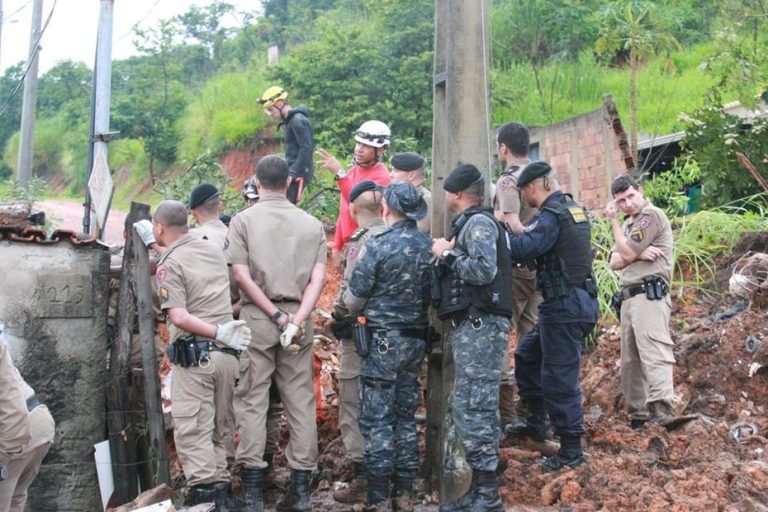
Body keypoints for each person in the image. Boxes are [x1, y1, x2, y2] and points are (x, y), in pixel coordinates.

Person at [226, 155, 326, 512]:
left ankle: (252, 493)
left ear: (256, 180)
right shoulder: (312, 224)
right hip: (299, 316)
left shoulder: (243, 221)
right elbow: (319, 279)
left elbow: (240, 275)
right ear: (288, 182)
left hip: (258, 316)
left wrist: (273, 315)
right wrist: (296, 319)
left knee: (252, 398)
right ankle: (299, 490)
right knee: (300, 400)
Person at [148, 200, 252, 510]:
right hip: (226, 358)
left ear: (159, 228)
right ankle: (221, 492)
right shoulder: (210, 248)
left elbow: (178, 316)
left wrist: (216, 331)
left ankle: (207, 499)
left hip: (197, 359)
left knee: (193, 430)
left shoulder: (170, 265)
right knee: (217, 430)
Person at [343, 181, 432, 512]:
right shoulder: (427, 247)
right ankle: (405, 493)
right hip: (416, 340)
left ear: (388, 210)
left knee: (378, 418)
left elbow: (355, 299)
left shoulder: (377, 245)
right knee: (406, 415)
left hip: (381, 342)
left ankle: (379, 497)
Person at [505, 161, 598, 472]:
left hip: (564, 307)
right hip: (573, 302)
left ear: (536, 186)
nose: (525, 198)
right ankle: (536, 422)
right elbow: (543, 244)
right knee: (527, 353)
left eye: (525, 192)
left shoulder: (552, 214)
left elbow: (524, 250)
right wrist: (521, 231)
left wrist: (505, 231)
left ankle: (571, 449)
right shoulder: (572, 209)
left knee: (559, 378)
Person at [432, 164, 513, 512]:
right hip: (475, 327)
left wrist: (445, 254)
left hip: (482, 327)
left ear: (458, 194)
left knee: (474, 406)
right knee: (472, 405)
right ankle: (482, 489)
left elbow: (483, 270)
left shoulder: (478, 223)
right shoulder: (472, 223)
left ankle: (488, 493)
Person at [327, 180, 387, 506]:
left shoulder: (357, 244)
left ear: (352, 209)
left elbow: (349, 295)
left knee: (352, 401)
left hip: (359, 335)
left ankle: (364, 475)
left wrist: (334, 317)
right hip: (395, 337)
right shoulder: (399, 237)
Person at [605, 175, 675, 429]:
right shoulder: (627, 225)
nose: (628, 203)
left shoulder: (650, 216)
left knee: (654, 351)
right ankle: (639, 415)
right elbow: (613, 262)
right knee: (630, 360)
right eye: (621, 201)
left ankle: (662, 409)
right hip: (629, 296)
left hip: (649, 293)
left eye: (631, 196)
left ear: (641, 191)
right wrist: (637, 254)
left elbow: (623, 253)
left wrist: (629, 252)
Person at [492, 122, 541, 431]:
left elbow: (508, 219)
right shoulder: (545, 176)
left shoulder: (509, 181)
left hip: (514, 268)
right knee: (532, 339)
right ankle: (532, 409)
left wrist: (492, 217)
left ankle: (507, 415)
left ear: (503, 148)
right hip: (541, 268)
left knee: (500, 338)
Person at [316, 120, 392, 272]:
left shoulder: (382, 179)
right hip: (350, 245)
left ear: (381, 150)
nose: (359, 149)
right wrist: (337, 246)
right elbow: (343, 212)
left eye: (366, 146)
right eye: (358, 144)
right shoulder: (352, 173)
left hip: (367, 247)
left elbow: (357, 202)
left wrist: (340, 174)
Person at [0, 323, 55, 512]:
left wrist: (2, 458)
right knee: (15, 501)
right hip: (36, 421)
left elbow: (14, 413)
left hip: (18, 431)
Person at [258, 86, 313, 204]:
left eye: (270, 110)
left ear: (279, 103)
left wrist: (294, 173)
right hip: (292, 173)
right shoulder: (290, 121)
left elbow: (306, 148)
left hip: (298, 176)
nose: (270, 114)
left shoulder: (298, 121)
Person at [390, 152, 431, 235]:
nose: (391, 175)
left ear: (411, 175)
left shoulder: (426, 200)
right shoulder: (403, 196)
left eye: (396, 170)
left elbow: (416, 234)